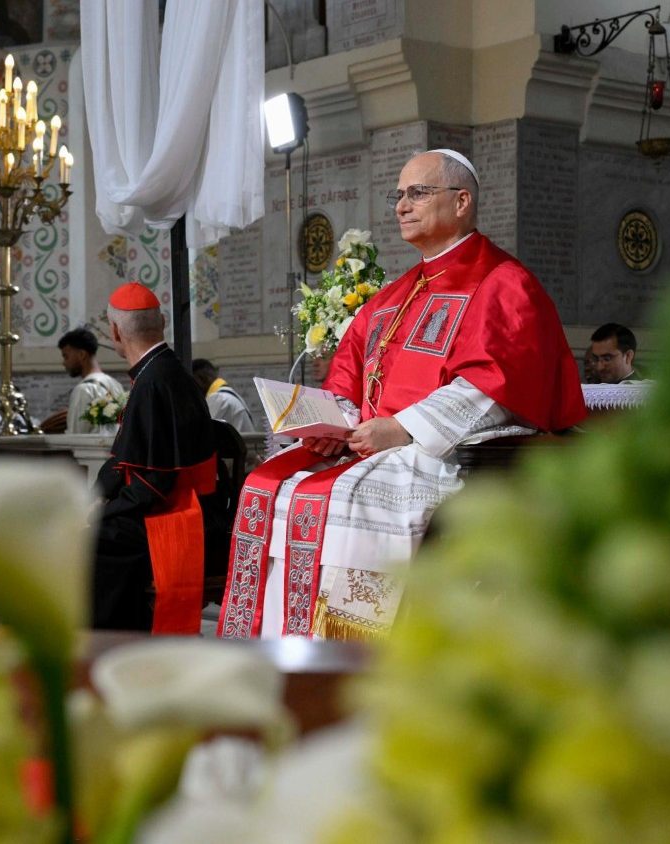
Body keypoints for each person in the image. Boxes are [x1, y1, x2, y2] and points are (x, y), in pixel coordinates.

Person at [218, 148, 586, 641]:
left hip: (443, 452)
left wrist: (401, 428)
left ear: (461, 202)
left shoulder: (503, 283)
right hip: (372, 446)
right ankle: (285, 644)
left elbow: (493, 382)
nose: (401, 205)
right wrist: (334, 428)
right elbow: (348, 378)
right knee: (273, 485)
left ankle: (353, 660)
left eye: (417, 192)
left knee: (353, 494)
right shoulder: (391, 298)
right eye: (399, 195)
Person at [92, 282, 220, 633]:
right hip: (179, 505)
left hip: (173, 514)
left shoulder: (153, 383)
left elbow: (153, 484)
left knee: (88, 544)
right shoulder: (165, 372)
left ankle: (108, 648)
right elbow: (128, 461)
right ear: (161, 321)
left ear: (115, 332)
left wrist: (101, 512)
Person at [58, 328, 125, 433]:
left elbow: (76, 437)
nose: (64, 363)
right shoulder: (116, 385)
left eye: (66, 356)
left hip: (93, 450)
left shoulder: (84, 390)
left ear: (81, 355)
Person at [192, 358, 256, 433]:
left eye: (193, 383)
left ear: (202, 378)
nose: (192, 390)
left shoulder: (218, 399)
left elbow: (203, 435)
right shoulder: (228, 395)